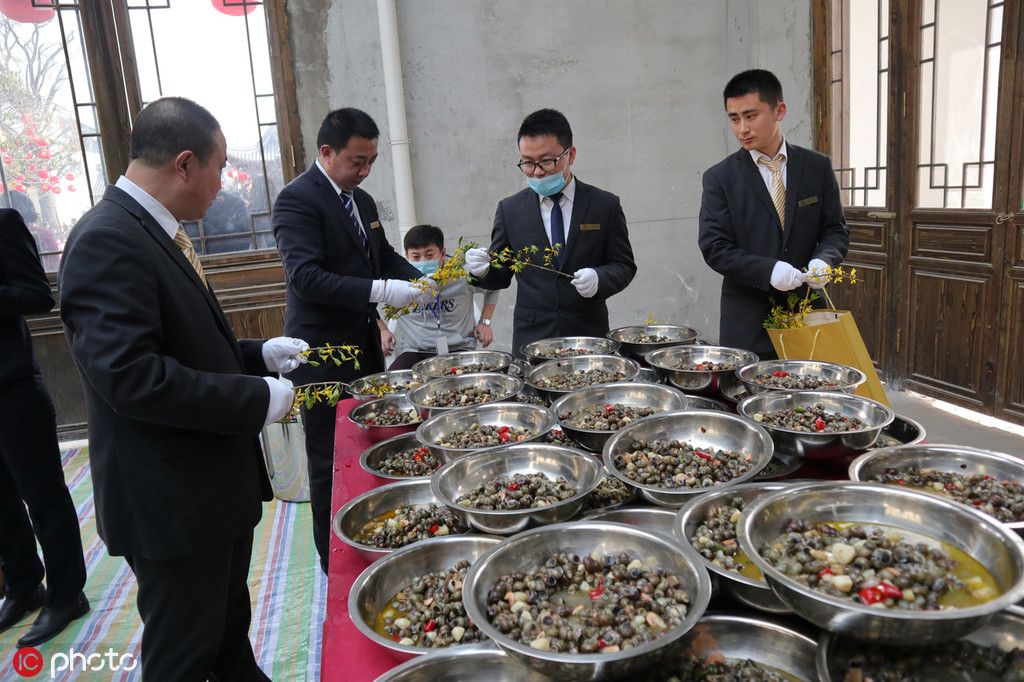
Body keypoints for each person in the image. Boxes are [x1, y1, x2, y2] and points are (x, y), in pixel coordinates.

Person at [58, 97, 304, 680]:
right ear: (185, 164)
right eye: (220, 168)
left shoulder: (154, 229)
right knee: (184, 657)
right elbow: (132, 377)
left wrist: (254, 355)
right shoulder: (106, 238)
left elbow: (182, 346)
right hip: (171, 501)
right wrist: (256, 399)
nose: (223, 185)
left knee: (225, 641)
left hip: (207, 493)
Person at [272, 107, 430, 573]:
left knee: (368, 446)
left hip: (363, 349)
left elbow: (383, 256)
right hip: (322, 354)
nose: (364, 171)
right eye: (357, 161)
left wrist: (424, 278)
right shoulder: (297, 200)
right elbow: (306, 278)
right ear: (327, 151)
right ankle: (333, 562)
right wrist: (381, 291)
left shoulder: (361, 202)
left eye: (371, 162)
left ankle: (369, 537)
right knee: (329, 459)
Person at [697, 69, 850, 358]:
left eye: (751, 116)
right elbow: (714, 247)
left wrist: (824, 260)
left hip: (808, 312)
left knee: (812, 384)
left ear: (779, 111)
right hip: (747, 319)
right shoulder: (720, 178)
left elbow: (835, 230)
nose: (742, 129)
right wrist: (769, 271)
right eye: (734, 119)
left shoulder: (817, 166)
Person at [465, 109, 637, 358]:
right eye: (527, 162)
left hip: (587, 335)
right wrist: (481, 272)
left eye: (546, 161)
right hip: (532, 338)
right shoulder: (510, 210)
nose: (537, 172)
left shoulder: (604, 205)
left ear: (570, 155)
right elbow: (501, 276)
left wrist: (599, 278)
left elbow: (624, 265)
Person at [0, 207, 88, 647]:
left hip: (12, 387)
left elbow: (38, 295)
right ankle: (23, 585)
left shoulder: (4, 223)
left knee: (42, 495)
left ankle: (68, 594)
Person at [387, 224, 499, 370]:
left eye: (429, 255)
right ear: (406, 256)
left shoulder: (462, 271)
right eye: (416, 257)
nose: (422, 262)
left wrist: (484, 322)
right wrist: (383, 330)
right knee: (391, 382)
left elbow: (494, 287)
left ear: (442, 253)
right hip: (415, 352)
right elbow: (369, 297)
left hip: (459, 350)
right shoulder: (397, 278)